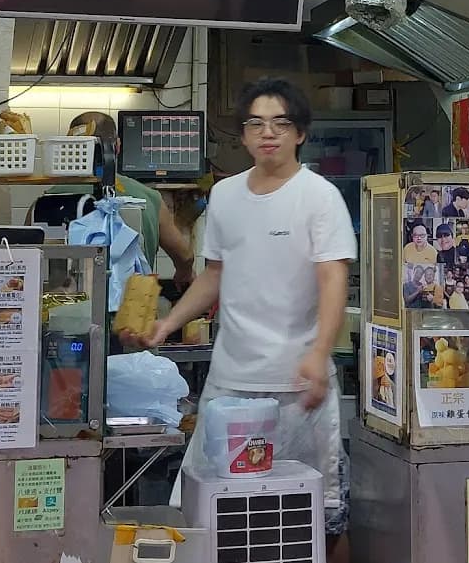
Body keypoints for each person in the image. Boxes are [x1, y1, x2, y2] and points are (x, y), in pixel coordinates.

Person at [122, 79, 356, 561]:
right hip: (230, 389)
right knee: (211, 514)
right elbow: (215, 275)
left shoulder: (320, 197)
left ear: (300, 134)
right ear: (244, 136)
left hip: (299, 389)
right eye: (256, 123)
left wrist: (318, 354)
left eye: (280, 123)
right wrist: (168, 323)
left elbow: (333, 280)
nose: (267, 132)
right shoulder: (225, 195)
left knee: (321, 517)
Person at [41, 112, 193, 285]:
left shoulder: (46, 199)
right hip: (132, 307)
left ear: (70, 148)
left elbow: (23, 253)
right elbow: (185, 256)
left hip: (63, 308)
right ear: (118, 146)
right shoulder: (150, 199)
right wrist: (184, 273)